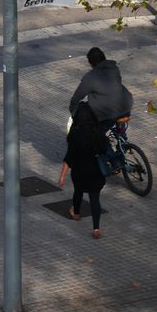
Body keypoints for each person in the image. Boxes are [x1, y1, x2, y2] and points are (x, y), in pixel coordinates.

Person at [58, 102, 109, 238]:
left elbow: (69, 157)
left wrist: (62, 176)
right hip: (96, 171)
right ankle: (96, 228)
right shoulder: (99, 132)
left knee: (78, 191)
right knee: (94, 198)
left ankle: (76, 213)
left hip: (79, 170)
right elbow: (105, 149)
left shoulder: (74, 134)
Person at [68, 46, 134, 125]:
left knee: (92, 129)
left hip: (107, 114)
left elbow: (76, 98)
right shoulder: (114, 69)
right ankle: (120, 131)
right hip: (127, 106)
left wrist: (74, 114)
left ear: (91, 63)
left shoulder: (90, 77)